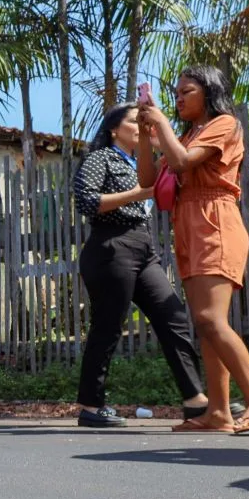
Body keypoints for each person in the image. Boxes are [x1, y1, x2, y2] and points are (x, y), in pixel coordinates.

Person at [137, 65, 249, 434]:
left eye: (187, 91)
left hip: (216, 219)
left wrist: (159, 122)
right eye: (175, 92)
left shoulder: (225, 125)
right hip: (189, 224)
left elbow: (180, 162)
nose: (178, 97)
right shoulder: (186, 134)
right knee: (207, 324)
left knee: (211, 319)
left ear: (208, 92)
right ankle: (219, 412)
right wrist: (147, 136)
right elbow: (148, 180)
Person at [73, 103, 213, 429]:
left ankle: (196, 400)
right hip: (110, 247)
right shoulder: (101, 158)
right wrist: (138, 193)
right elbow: (87, 202)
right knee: (107, 326)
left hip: (143, 248)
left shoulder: (142, 163)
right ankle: (91, 406)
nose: (141, 126)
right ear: (113, 129)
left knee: (173, 317)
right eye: (135, 121)